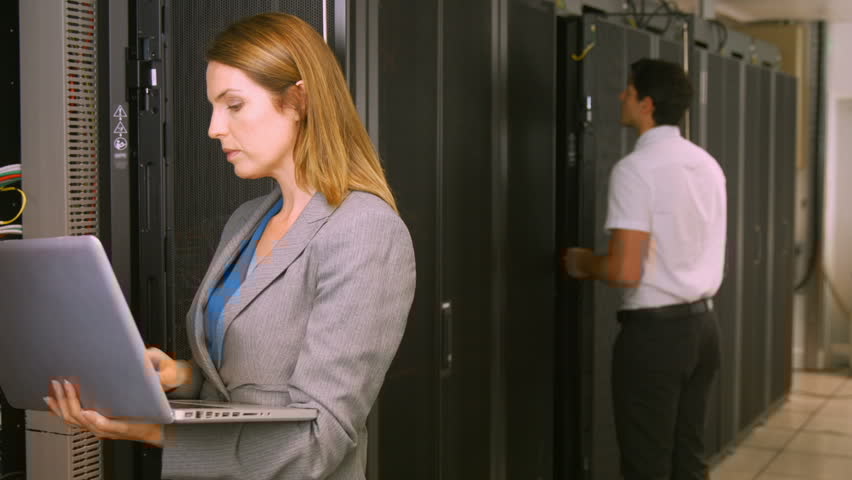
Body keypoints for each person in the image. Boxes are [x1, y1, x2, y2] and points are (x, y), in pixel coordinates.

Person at [44, 12, 416, 480]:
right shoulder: (247, 221)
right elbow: (252, 385)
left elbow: (316, 443)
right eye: (213, 107)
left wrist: (150, 432)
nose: (214, 128)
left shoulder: (364, 230)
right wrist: (180, 376)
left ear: (298, 100)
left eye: (233, 105)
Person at [562, 58, 726, 480]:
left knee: (646, 463)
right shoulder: (708, 166)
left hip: (656, 338)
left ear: (647, 105)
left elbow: (624, 269)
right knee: (688, 458)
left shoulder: (635, 171)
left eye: (629, 91)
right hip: (704, 330)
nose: (622, 97)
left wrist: (583, 262)